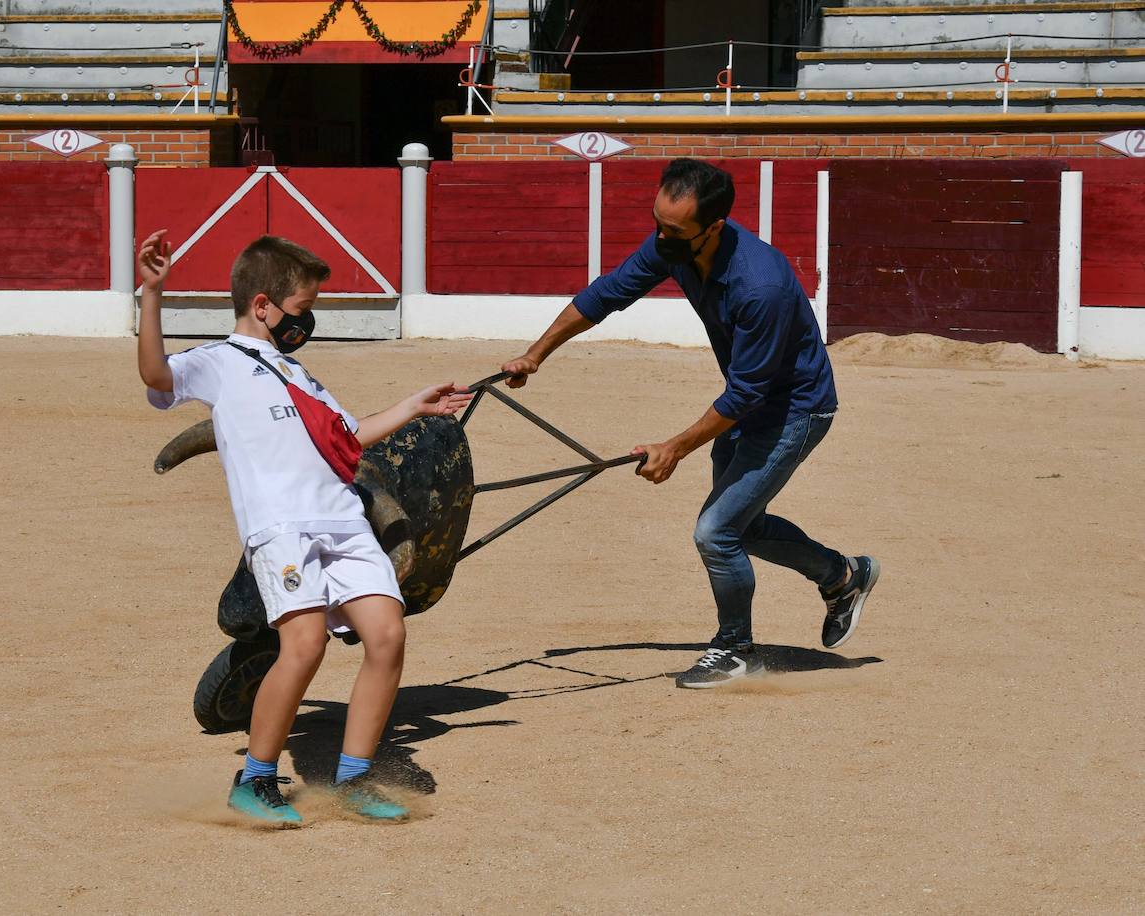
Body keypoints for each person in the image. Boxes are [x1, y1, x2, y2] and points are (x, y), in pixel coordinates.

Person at [500, 158, 879, 688]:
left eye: (673, 229)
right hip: (747, 408)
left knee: (717, 532)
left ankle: (735, 649)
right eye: (657, 222)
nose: (659, 237)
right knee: (741, 526)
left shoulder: (759, 284)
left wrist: (675, 446)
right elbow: (605, 295)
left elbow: (749, 392)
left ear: (714, 227)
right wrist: (534, 355)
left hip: (795, 411)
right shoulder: (675, 246)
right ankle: (843, 576)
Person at [138, 231, 471, 824]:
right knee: (305, 644)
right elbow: (158, 376)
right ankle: (255, 779)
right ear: (261, 305)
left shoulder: (301, 375)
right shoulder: (218, 363)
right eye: (301, 309)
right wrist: (152, 294)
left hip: (343, 520)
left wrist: (414, 406)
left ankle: (354, 778)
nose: (307, 320)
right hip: (282, 527)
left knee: (388, 635)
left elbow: (348, 439)